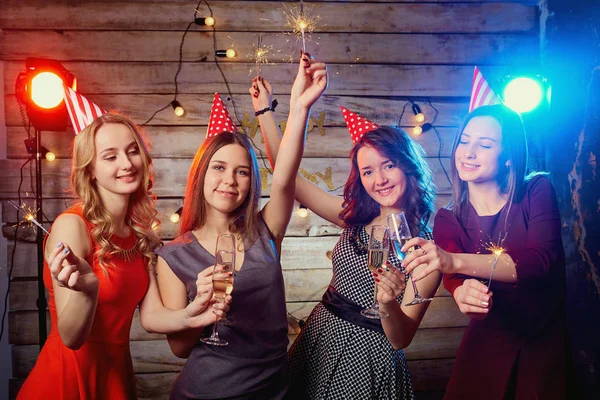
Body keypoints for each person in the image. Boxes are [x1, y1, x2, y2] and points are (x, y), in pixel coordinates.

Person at [250, 74, 441, 399]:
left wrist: (386, 303)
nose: (379, 179)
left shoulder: (424, 252)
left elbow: (401, 338)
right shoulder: (354, 219)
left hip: (368, 358)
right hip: (320, 338)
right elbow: (286, 175)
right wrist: (265, 111)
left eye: (388, 165)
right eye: (368, 171)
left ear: (408, 166)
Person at [17, 113, 229, 400]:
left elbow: (152, 316)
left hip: (116, 376)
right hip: (68, 377)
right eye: (110, 156)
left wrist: (193, 315)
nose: (127, 164)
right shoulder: (72, 226)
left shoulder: (138, 234)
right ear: (90, 169)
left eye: (132, 151)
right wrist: (88, 291)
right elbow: (71, 338)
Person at [155, 54, 327, 399]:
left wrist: (299, 108)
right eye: (219, 168)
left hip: (274, 390)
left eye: (242, 171)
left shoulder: (266, 231)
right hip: (206, 391)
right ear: (201, 175)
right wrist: (199, 308)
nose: (229, 180)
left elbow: (286, 175)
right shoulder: (174, 256)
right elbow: (180, 348)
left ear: (252, 182)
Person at [401, 104, 567, 399]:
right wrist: (462, 292)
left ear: (507, 157)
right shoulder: (448, 218)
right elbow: (454, 279)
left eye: (485, 144)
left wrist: (454, 262)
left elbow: (542, 261)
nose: (468, 152)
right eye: (464, 141)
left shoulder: (536, 190)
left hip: (543, 345)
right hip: (486, 347)